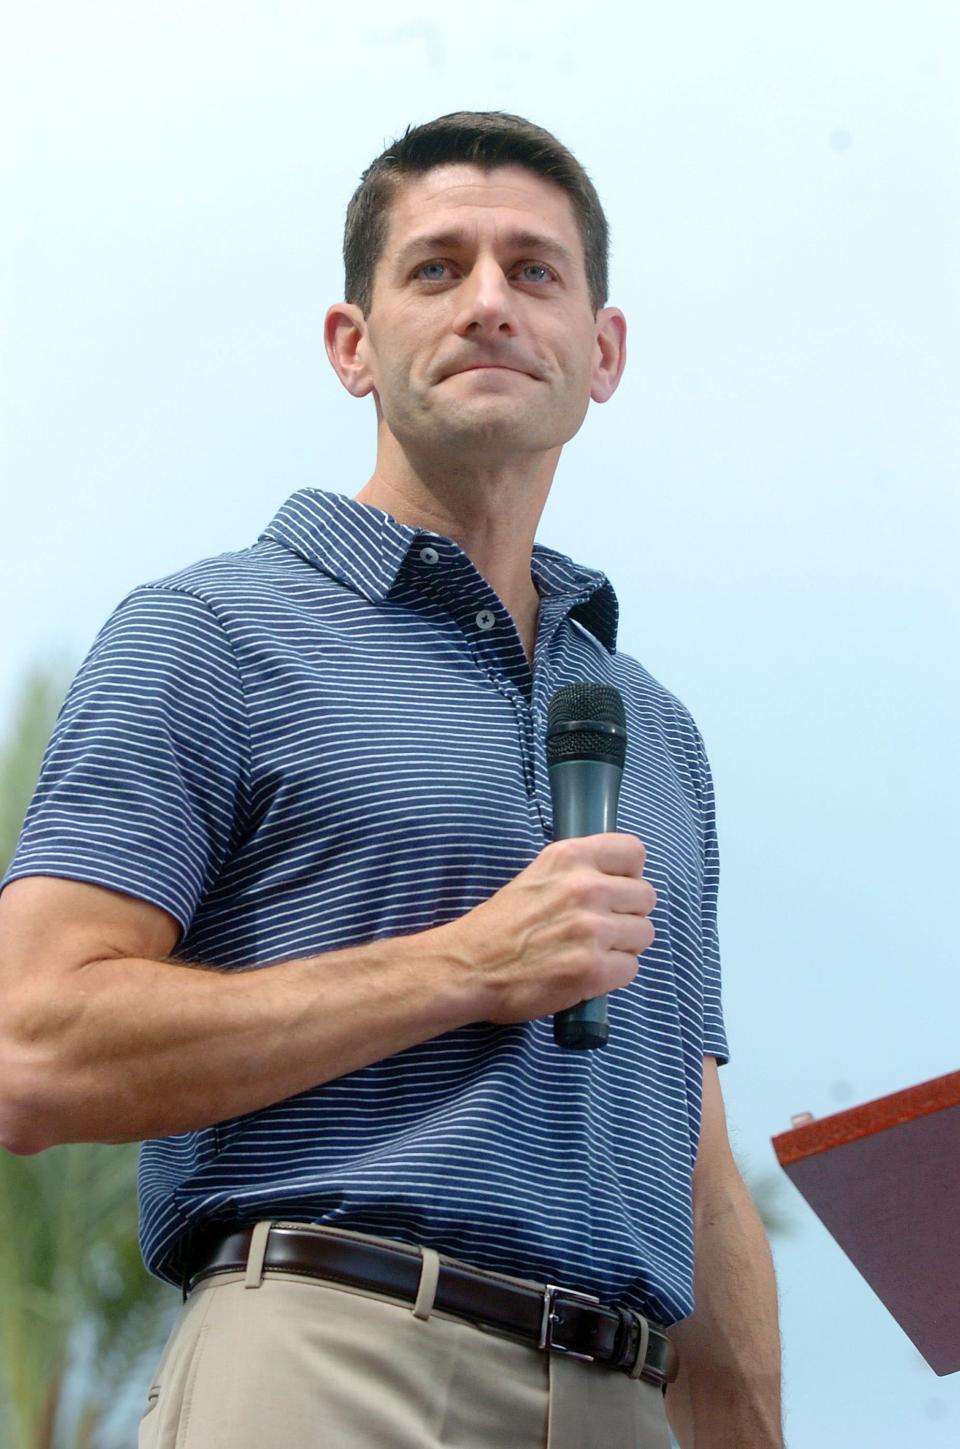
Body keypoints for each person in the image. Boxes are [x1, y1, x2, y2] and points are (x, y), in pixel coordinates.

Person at [0, 112, 782, 1448]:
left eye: (534, 271)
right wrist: (466, 966)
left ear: (603, 353)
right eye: (436, 268)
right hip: (330, 1363)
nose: (488, 302)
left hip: (624, 1400)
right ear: (351, 345)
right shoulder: (211, 632)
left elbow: (692, 1154)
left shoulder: (656, 728)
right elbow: (30, 1044)